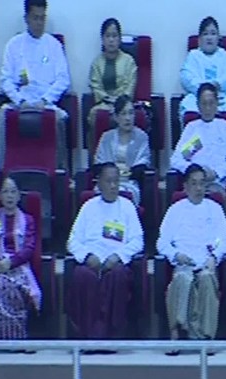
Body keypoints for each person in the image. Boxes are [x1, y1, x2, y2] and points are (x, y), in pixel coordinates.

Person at [157, 164, 226, 351]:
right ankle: (176, 332)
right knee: (183, 278)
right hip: (184, 262)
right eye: (194, 184)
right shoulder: (175, 210)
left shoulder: (215, 209)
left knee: (206, 278)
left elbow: (225, 241)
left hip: (207, 263)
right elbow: (162, 243)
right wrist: (176, 255)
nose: (199, 188)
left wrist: (214, 257)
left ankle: (206, 337)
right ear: (185, 186)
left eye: (202, 184)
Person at [66, 162, 143, 340]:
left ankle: (111, 337)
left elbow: (137, 241)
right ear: (98, 183)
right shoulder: (88, 207)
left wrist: (118, 256)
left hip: (116, 263)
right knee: (82, 275)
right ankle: (87, 336)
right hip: (91, 262)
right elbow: (72, 241)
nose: (113, 186)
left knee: (118, 276)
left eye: (116, 181)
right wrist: (87, 256)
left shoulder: (127, 206)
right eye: (108, 181)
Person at [0, 0, 70, 170]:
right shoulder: (14, 44)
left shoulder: (54, 45)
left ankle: (59, 173)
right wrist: (20, 101)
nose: (39, 23)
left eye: (42, 18)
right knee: (0, 118)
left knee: (59, 121)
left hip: (45, 103)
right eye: (35, 18)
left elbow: (63, 79)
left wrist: (45, 100)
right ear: (26, 18)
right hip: (20, 102)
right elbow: (5, 80)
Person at [170, 82, 226, 200]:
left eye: (211, 103)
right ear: (198, 105)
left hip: (216, 183)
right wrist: (195, 172)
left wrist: (216, 172)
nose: (208, 108)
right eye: (204, 104)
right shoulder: (192, 128)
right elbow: (176, 160)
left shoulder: (224, 127)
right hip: (193, 184)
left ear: (217, 104)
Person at [0, 177, 40, 339]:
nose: (9, 196)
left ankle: (15, 338)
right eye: (5, 192)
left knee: (4, 286)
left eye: (13, 191)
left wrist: (10, 262)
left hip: (18, 267)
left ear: (18, 196)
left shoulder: (27, 220)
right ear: (0, 196)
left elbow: (29, 248)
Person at [179, 16, 226, 125]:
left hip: (221, 96)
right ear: (199, 39)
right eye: (205, 34)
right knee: (189, 106)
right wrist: (204, 89)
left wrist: (217, 84)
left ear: (218, 38)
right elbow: (186, 77)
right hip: (197, 97)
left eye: (213, 34)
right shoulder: (193, 55)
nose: (209, 38)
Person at [93, 95, 151, 206]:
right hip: (107, 182)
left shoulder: (142, 137)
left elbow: (142, 165)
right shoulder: (106, 137)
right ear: (116, 117)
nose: (128, 118)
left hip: (130, 183)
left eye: (131, 113)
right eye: (123, 114)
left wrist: (123, 173)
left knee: (125, 195)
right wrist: (116, 173)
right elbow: (99, 165)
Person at [87, 18, 137, 146]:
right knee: (94, 114)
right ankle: (96, 156)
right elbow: (95, 86)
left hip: (123, 104)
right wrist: (108, 100)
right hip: (104, 103)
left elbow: (130, 86)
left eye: (114, 36)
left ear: (119, 39)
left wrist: (118, 102)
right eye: (107, 36)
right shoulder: (97, 63)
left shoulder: (129, 61)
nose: (111, 40)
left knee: (126, 113)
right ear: (102, 39)